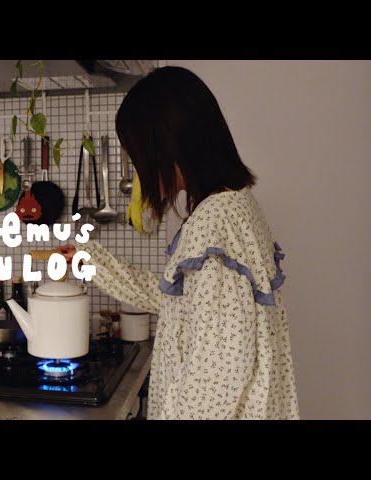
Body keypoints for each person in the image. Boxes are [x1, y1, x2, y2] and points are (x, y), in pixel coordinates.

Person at [59, 66, 299, 420]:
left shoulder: (214, 224)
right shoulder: (236, 207)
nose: (139, 170)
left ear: (167, 149)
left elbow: (218, 374)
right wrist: (91, 262)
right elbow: (180, 303)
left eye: (137, 156)